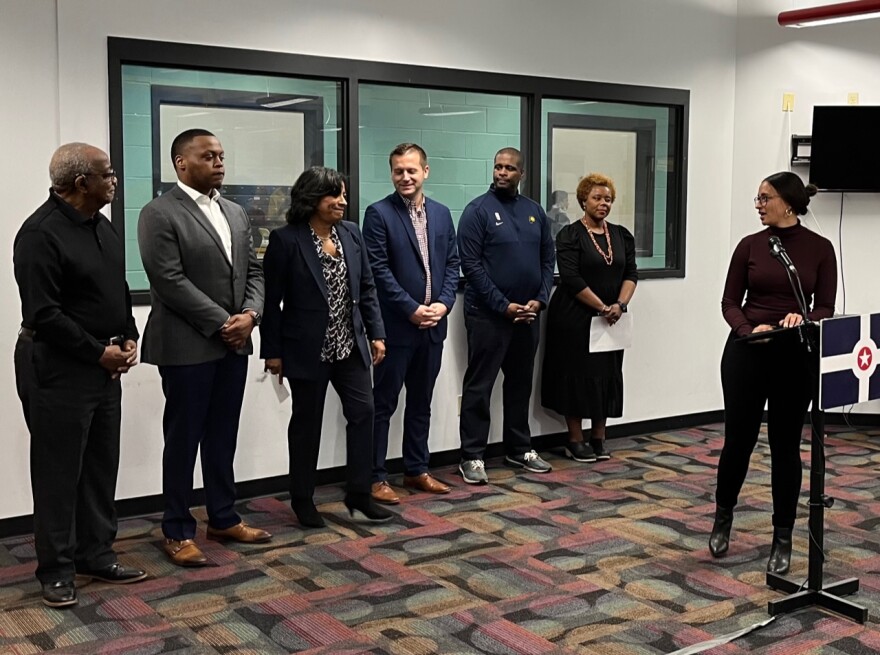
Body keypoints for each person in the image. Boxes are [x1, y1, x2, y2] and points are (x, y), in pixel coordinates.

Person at [13, 143, 146, 608]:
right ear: (80, 183)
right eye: (106, 174)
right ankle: (55, 569)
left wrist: (127, 335)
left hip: (100, 366)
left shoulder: (101, 226)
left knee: (99, 465)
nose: (114, 180)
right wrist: (97, 352)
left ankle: (96, 554)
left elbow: (117, 289)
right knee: (58, 472)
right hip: (57, 367)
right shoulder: (39, 234)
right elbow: (44, 313)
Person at [138, 129, 271, 568]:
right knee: (183, 439)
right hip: (186, 346)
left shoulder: (235, 212)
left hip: (234, 343)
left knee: (222, 437)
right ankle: (176, 530)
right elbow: (168, 280)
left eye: (221, 155)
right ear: (181, 163)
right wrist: (221, 323)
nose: (219, 162)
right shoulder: (158, 212)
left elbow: (254, 270)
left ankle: (223, 516)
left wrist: (251, 316)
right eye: (208, 156)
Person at [710, 172, 837, 575]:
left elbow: (826, 307)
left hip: (794, 356)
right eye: (758, 197)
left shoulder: (820, 248)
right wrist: (749, 330)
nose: (758, 204)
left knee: (785, 447)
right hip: (747, 352)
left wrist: (801, 320)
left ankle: (783, 536)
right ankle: (722, 517)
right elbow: (730, 301)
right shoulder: (750, 245)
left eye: (765, 198)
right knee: (739, 442)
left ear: (787, 202)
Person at [261, 166, 393, 527]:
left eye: (344, 194)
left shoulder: (351, 233)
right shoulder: (286, 240)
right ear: (312, 199)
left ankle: (359, 493)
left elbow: (366, 288)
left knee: (364, 413)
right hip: (307, 349)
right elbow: (272, 302)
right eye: (334, 195)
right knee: (307, 423)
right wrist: (272, 351)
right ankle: (302, 499)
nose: (342, 202)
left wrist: (376, 333)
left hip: (349, 346)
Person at [362, 143, 460, 504]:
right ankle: (375, 477)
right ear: (392, 174)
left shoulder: (441, 213)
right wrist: (410, 308)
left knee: (422, 402)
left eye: (411, 170)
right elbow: (378, 271)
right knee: (383, 404)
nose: (405, 177)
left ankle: (417, 470)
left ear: (425, 172)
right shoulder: (378, 214)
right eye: (398, 171)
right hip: (397, 329)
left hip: (433, 327)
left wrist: (444, 305)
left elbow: (452, 264)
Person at [457, 147, 556, 484]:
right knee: (479, 386)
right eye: (497, 166)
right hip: (489, 315)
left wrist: (539, 300)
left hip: (528, 315)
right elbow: (470, 266)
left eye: (509, 168)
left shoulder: (534, 212)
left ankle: (519, 448)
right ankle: (472, 455)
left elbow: (547, 260)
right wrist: (503, 305)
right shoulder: (477, 211)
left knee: (520, 384)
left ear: (521, 174)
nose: (502, 173)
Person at [541, 173, 637, 462]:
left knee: (606, 375)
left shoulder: (621, 235)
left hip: (613, 317)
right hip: (575, 317)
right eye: (597, 198)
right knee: (577, 376)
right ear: (584, 200)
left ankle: (599, 436)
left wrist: (618, 304)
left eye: (608, 199)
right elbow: (571, 278)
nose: (603, 203)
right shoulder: (570, 235)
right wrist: (601, 307)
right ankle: (575, 438)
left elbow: (631, 274)